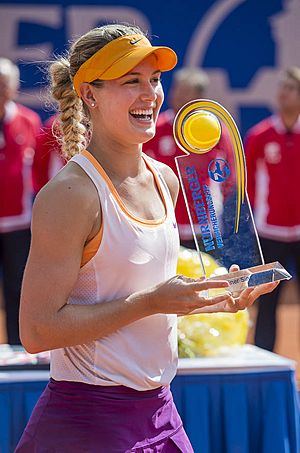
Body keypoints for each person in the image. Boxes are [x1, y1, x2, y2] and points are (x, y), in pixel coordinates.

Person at [16, 24, 279, 452]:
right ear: (90, 94)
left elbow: (136, 299)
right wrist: (153, 302)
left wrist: (211, 298)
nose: (150, 94)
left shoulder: (166, 181)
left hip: (161, 413)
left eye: (154, 80)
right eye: (130, 81)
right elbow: (37, 330)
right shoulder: (70, 196)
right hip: (87, 421)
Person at [245, 66, 300, 352]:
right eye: (281, 88)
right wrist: (259, 214)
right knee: (267, 302)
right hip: (269, 233)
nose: (282, 94)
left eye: (289, 89)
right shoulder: (260, 135)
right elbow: (248, 181)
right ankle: (264, 360)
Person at [0, 58, 42, 345]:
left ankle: (18, 347)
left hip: (18, 222)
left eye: (4, 85)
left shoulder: (29, 121)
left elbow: (39, 171)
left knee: (18, 287)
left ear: (14, 88)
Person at [143, 67, 210, 248]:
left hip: (205, 228)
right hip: (164, 224)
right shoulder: (153, 129)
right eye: (176, 89)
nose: (178, 95)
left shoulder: (214, 132)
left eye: (186, 91)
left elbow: (227, 177)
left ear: (199, 97)